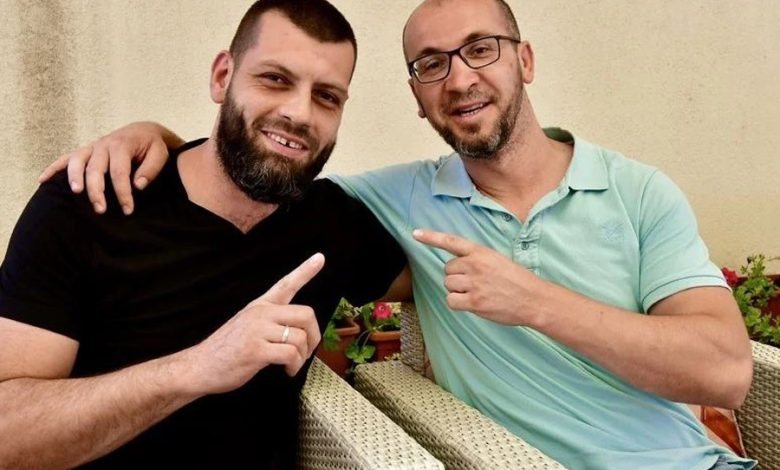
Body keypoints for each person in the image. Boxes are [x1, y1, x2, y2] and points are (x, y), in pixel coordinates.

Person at [40, 0, 756, 469]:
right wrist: (152, 138)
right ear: (417, 97)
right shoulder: (392, 202)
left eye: (481, 49)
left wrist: (535, 302)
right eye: (431, 64)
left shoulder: (638, 192)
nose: (459, 78)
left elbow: (725, 373)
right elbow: (251, 165)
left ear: (526, 60)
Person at [0, 1, 408, 469]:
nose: (300, 113)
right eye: (275, 79)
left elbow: (434, 282)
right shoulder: (88, 204)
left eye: (327, 97)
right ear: (222, 77)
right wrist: (197, 367)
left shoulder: (333, 224)